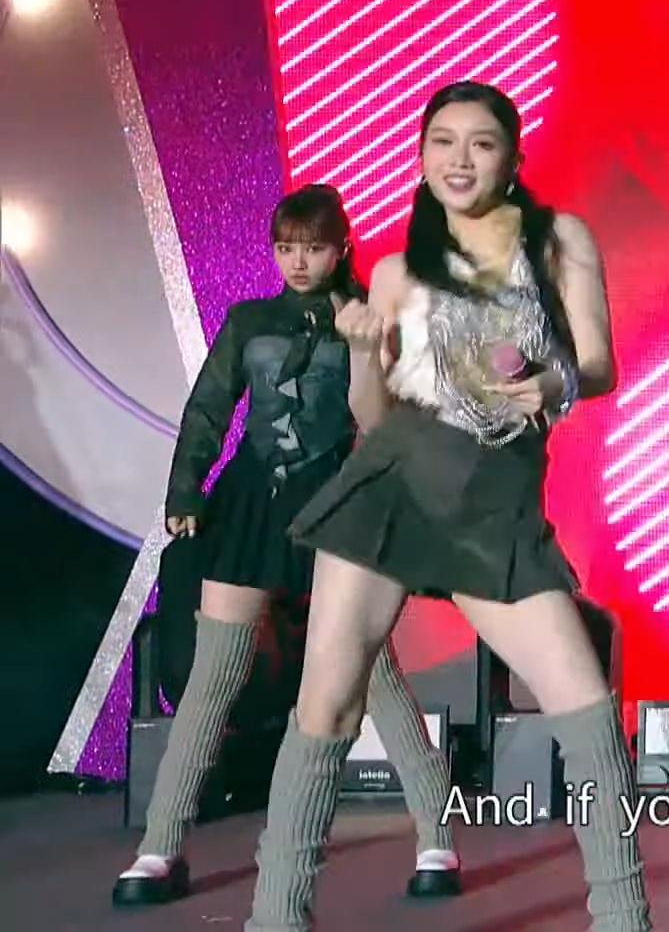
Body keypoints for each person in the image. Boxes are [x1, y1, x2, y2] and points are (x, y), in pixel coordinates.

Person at [244, 82, 649, 931]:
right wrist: (365, 355)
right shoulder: (398, 271)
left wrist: (553, 382)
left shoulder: (559, 239)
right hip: (393, 485)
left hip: (494, 502)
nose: (460, 159)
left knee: (585, 708)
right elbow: (373, 417)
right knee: (326, 707)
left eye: (481, 143)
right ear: (423, 157)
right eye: (443, 142)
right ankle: (274, 918)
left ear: (513, 158)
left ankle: (623, 918)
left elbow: (600, 364)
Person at [113, 186, 459, 907]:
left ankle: (437, 838)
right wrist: (185, 492)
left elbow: (396, 419)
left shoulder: (367, 314)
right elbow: (209, 408)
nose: (298, 261)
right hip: (250, 503)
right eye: (286, 247)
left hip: (336, 499)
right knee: (213, 676)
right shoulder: (249, 320)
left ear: (341, 248)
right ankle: (158, 848)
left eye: (314, 247)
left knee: (374, 675)